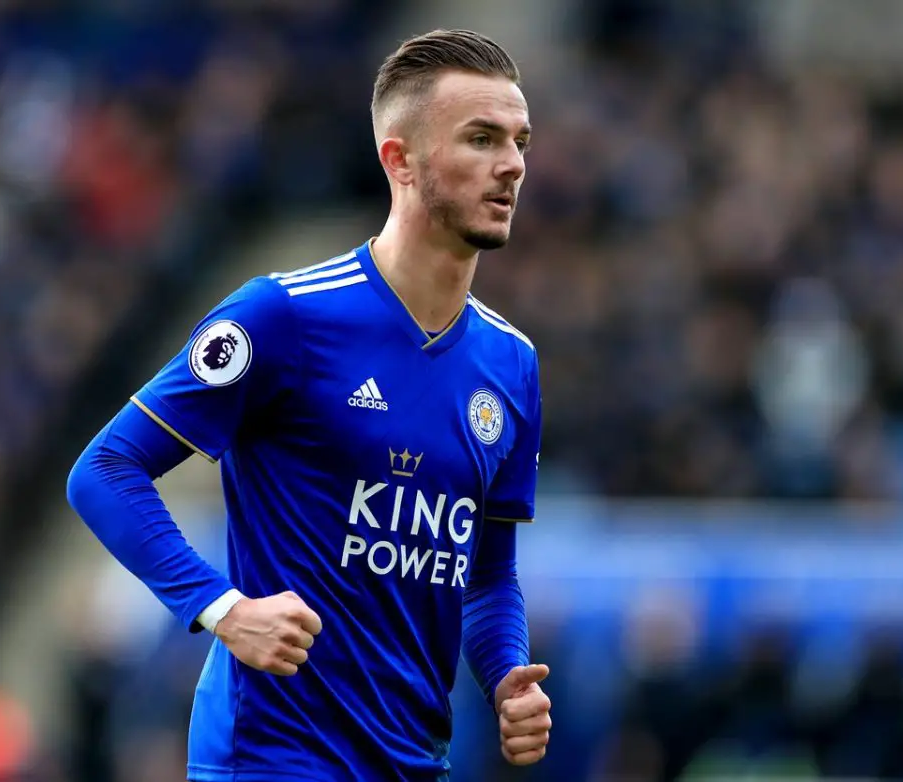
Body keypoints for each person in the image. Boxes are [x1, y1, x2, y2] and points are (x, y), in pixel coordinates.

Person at [67, 28, 551, 781]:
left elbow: (487, 576)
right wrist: (224, 609)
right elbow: (105, 469)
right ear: (400, 161)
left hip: (413, 762)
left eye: (519, 142)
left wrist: (506, 676)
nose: (512, 164)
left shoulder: (512, 366)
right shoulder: (285, 316)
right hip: (271, 756)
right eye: (482, 138)